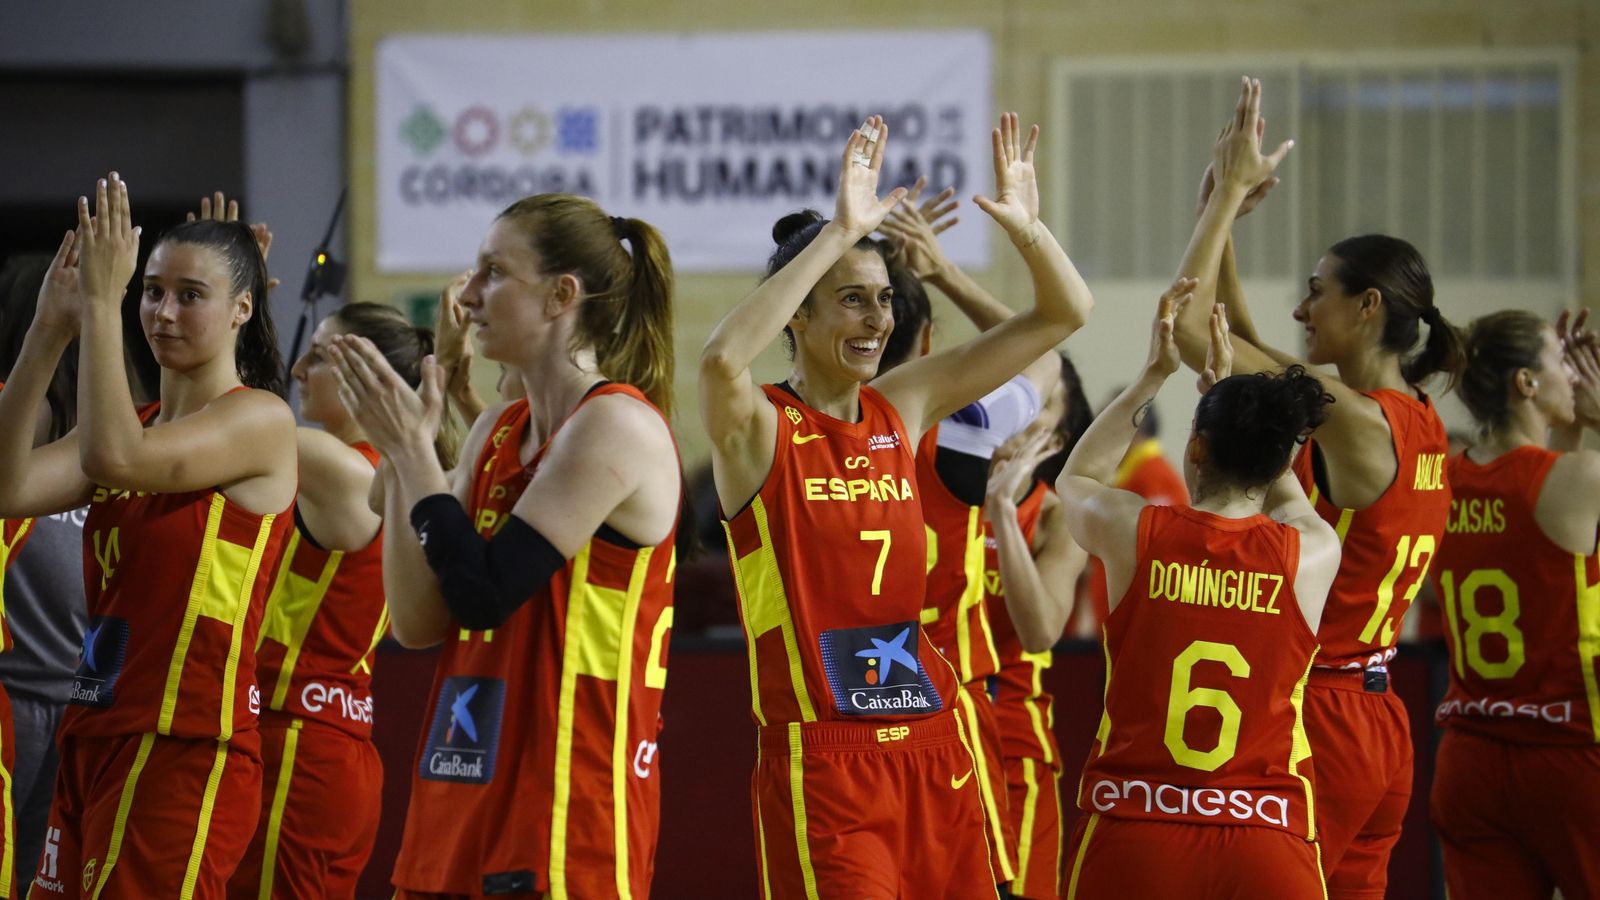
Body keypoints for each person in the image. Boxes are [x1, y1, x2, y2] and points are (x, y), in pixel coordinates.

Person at [698, 113, 1092, 897]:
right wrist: (839, 231)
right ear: (799, 314)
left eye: (883, 300)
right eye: (851, 300)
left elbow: (1063, 317)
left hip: (935, 742)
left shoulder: (902, 405)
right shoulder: (759, 427)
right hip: (826, 756)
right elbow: (718, 358)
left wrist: (1029, 231)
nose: (878, 320)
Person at [333, 192, 681, 899]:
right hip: (461, 788)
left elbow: (485, 592)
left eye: (493, 272)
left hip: (565, 807)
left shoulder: (615, 424)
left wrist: (413, 452)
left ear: (561, 295)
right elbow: (419, 621)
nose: (467, 294)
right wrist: (409, 454)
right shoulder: (498, 426)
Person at [1173, 79, 1463, 899]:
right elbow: (1250, 348)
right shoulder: (1417, 419)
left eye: (1316, 290)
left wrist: (1224, 198)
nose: (1302, 310)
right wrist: (1216, 221)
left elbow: (1199, 336)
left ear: (1368, 306)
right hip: (1381, 718)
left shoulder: (1360, 422)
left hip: (1319, 717)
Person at [0, 175, 298, 897]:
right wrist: (49, 329)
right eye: (151, 291)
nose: (162, 312)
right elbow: (6, 491)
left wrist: (104, 303)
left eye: (190, 295)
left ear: (242, 309)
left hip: (185, 746)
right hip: (92, 732)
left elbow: (116, 460)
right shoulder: (129, 424)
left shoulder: (259, 420)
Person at [1059, 280, 1340, 899]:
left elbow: (1077, 474)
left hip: (1137, 828)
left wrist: (1154, 374)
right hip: (1267, 837)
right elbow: (1284, 489)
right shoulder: (1311, 554)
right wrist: (1244, 410)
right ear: (1278, 461)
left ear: (1194, 446)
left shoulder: (1135, 531)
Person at [874, 179, 1065, 887]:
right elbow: (1049, 355)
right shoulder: (963, 433)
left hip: (843, 727)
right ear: (929, 344)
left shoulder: (790, 434)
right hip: (950, 715)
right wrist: (941, 274)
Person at [228, 294, 450, 896]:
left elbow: (216, 420)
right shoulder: (389, 471)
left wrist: (226, 317)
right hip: (332, 745)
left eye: (318, 356)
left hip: (298, 743)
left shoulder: (342, 466)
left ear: (363, 370)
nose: (298, 369)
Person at [1425, 309, 1600, 899]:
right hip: (1570, 753)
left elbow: (1534, 492)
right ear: (1525, 383)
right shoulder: (1580, 480)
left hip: (1471, 757)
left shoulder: (1442, 481)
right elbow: (1551, 489)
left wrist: (1576, 424)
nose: (1576, 376)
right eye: (1562, 363)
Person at [979, 355, 1092, 900]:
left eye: (1039, 405)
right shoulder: (932, 491)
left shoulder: (1055, 517)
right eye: (1010, 398)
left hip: (1009, 745)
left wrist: (1002, 507)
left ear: (1059, 435)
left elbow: (1041, 631)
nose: (1017, 417)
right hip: (924, 735)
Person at [0, 255, 92, 898]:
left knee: (46, 881)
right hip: (17, 691)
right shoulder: (15, 414)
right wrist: (47, 336)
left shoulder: (106, 426)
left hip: (84, 699)